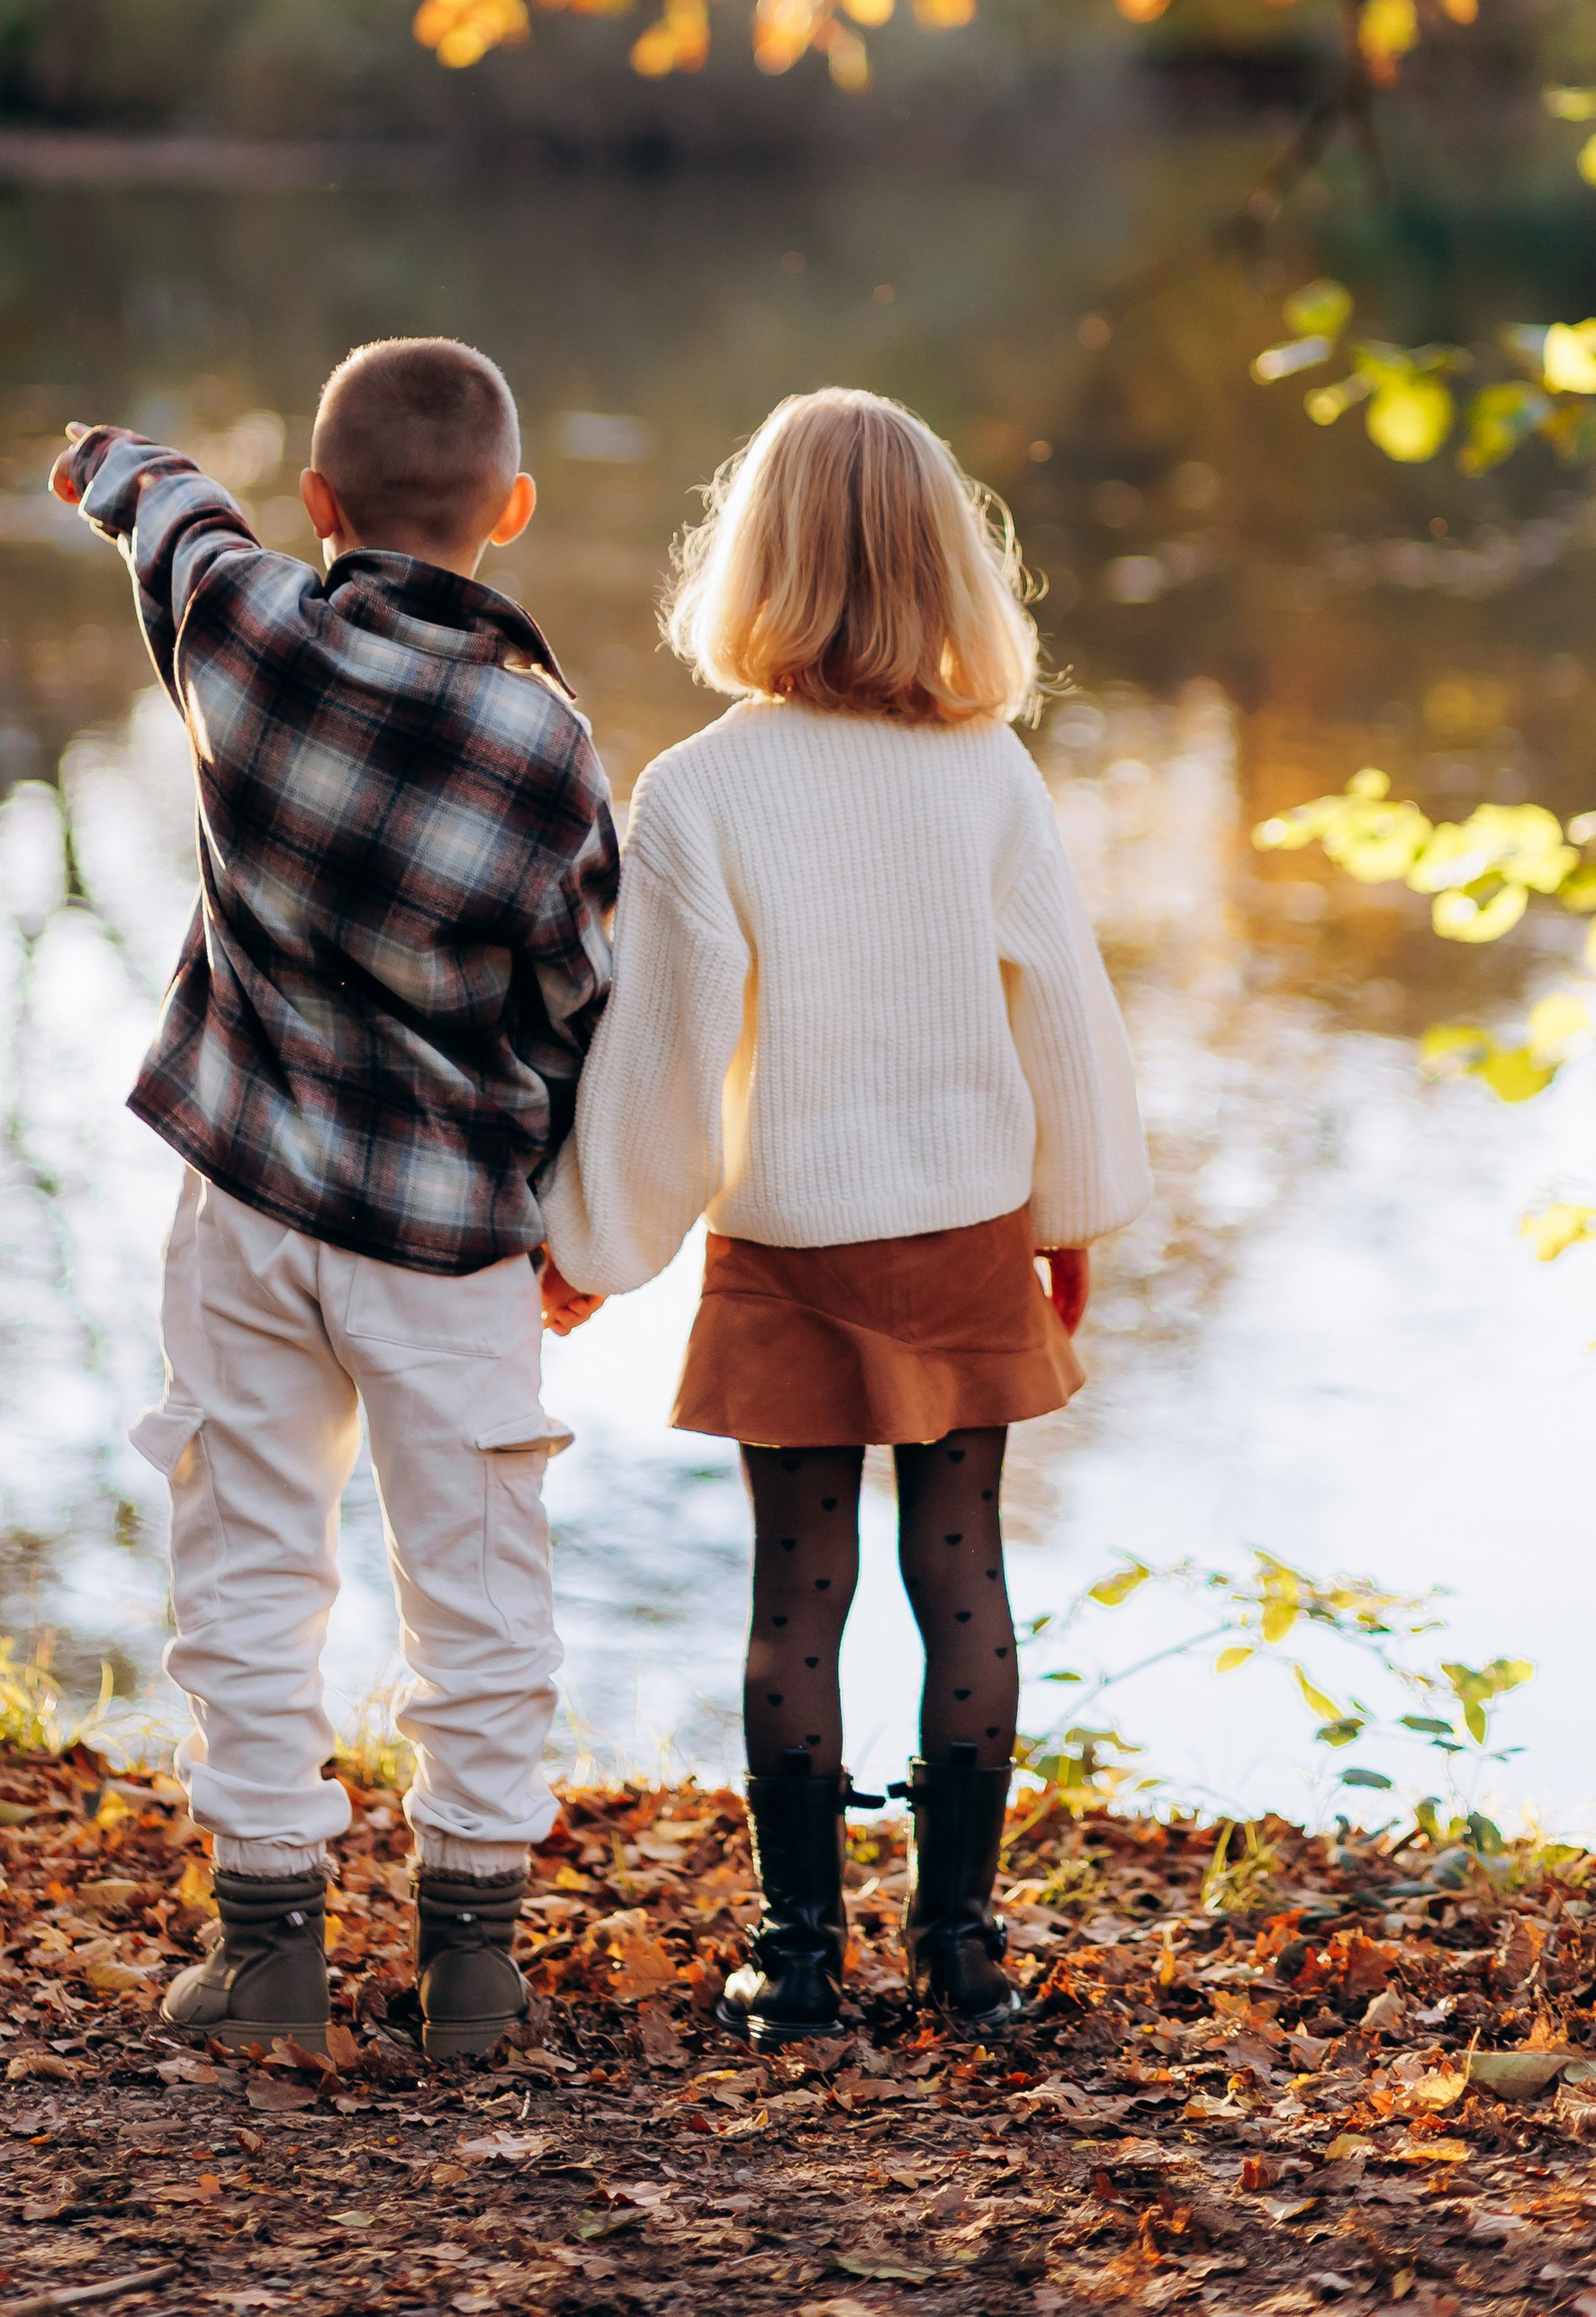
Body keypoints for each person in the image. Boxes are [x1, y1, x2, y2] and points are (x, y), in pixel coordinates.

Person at [538, 387, 1150, 2047]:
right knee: (963, 1580)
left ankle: (794, 1953)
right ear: (947, 564)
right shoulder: (986, 776)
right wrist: (1071, 1209)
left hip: (793, 1243)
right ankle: (963, 1950)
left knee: (792, 1597)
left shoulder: (703, 790)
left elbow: (664, 1059)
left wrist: (589, 1244)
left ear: (757, 562)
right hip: (961, 1226)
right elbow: (1064, 1012)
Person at [51, 339, 618, 2063]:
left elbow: (157, 501)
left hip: (247, 1202)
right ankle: (473, 1964)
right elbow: (583, 1003)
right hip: (448, 1238)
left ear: (320, 507)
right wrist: (573, 1223)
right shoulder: (545, 747)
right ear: (510, 515)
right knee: (479, 1572)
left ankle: (270, 1945)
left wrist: (100, 460)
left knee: (245, 1546)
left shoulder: (248, 631)